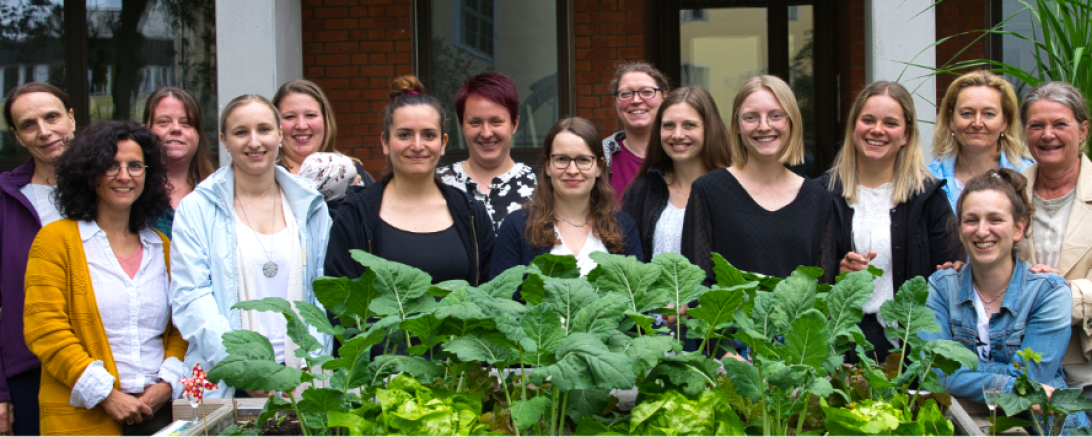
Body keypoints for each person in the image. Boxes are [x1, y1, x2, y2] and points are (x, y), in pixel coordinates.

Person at [24, 121, 186, 435]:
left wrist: (167, 384)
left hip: (158, 415)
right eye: (111, 166)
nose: (124, 176)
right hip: (82, 416)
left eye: (135, 166)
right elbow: (45, 330)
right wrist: (107, 395)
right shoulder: (54, 240)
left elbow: (181, 327)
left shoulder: (162, 246)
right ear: (89, 173)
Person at [169, 95, 332, 398]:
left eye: (264, 129)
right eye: (241, 132)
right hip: (228, 379)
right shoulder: (197, 208)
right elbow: (190, 297)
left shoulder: (310, 204)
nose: (254, 142)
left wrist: (308, 364)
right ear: (224, 140)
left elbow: (325, 291)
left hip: (304, 376)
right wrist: (244, 369)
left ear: (279, 135)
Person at [923, 169, 1090, 431]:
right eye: (971, 220)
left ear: (1018, 228)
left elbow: (1031, 379)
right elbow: (932, 373)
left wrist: (960, 373)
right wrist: (1009, 381)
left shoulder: (1049, 292)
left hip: (1043, 427)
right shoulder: (942, 287)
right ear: (960, 229)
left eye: (995, 219)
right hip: (963, 425)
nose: (982, 231)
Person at [818, 80, 963, 363]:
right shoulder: (822, 193)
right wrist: (837, 272)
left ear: (906, 135)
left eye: (890, 123)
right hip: (837, 345)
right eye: (868, 120)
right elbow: (803, 274)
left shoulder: (928, 197)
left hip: (909, 348)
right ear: (853, 127)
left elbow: (950, 273)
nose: (877, 129)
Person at [325, 76, 494, 286]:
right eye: (404, 135)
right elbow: (341, 297)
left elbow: (488, 295)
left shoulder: (471, 214)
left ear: (443, 143)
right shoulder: (356, 214)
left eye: (428, 135)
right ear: (385, 142)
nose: (417, 145)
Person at [682, 75, 836, 284]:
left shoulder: (818, 199)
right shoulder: (708, 191)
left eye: (776, 115)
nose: (764, 126)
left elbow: (823, 286)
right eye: (751, 117)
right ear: (737, 125)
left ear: (792, 122)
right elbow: (697, 284)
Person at [0, 82, 76, 436]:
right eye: (29, 125)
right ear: (17, 136)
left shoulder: (115, 187)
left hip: (114, 364)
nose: (44, 131)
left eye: (52, 117)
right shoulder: (6, 199)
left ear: (71, 118)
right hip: (31, 371)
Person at [491, 117, 643, 279]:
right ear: (547, 165)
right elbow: (502, 294)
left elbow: (636, 291)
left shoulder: (623, 227)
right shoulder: (517, 227)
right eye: (562, 159)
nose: (572, 170)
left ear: (599, 167)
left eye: (583, 160)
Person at [1015, 82, 1092, 399]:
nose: (1047, 135)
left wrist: (1056, 293)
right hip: (1020, 367)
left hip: (1085, 369)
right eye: (1036, 126)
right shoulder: (1007, 193)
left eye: (1060, 124)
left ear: (1083, 130)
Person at [622, 86, 731, 263]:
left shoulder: (732, 191)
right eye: (669, 126)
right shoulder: (642, 192)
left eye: (689, 125)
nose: (677, 135)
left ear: (709, 128)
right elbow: (625, 263)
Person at [437, 72, 537, 232]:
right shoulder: (438, 184)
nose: (486, 133)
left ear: (514, 123)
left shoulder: (540, 186)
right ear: (461, 125)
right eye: (475, 122)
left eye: (496, 121)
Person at [927, 71, 1035, 211]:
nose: (977, 123)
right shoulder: (927, 181)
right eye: (967, 113)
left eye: (989, 114)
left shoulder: (1029, 177)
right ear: (951, 120)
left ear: (1004, 122)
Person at [142, 87, 216, 237]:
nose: (176, 129)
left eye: (186, 123)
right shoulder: (132, 190)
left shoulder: (218, 192)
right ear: (145, 132)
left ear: (198, 135)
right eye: (164, 122)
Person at [272, 79, 376, 184]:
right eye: (289, 117)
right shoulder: (267, 176)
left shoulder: (354, 174)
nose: (301, 126)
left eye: (310, 115)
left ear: (326, 121)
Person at [603, 62, 670, 205]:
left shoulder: (682, 153)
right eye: (626, 94)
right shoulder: (600, 156)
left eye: (647, 92)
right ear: (615, 101)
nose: (636, 100)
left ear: (665, 97)